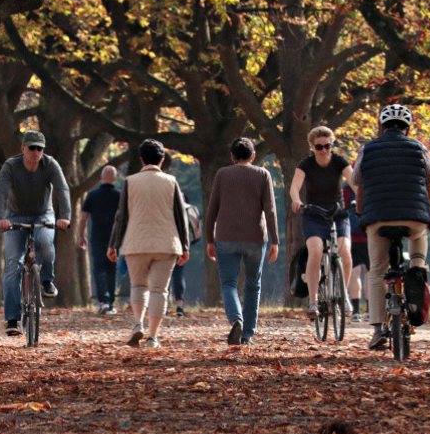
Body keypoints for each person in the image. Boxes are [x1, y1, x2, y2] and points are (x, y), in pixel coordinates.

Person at [352, 104, 430, 350]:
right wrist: (427, 209)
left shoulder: (366, 149)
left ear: (381, 126)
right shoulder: (420, 148)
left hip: (378, 218)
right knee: (419, 244)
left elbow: (359, 184)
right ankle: (417, 269)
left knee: (377, 270)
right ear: (408, 128)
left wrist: (360, 213)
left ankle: (378, 330)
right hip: (414, 218)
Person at [107, 139, 190, 348]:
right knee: (159, 290)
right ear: (162, 160)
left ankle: (137, 324)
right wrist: (185, 246)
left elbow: (121, 216)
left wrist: (113, 244)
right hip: (166, 243)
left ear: (142, 159)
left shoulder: (130, 181)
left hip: (136, 243)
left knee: (138, 285)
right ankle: (153, 336)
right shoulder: (171, 182)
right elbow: (181, 216)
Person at [0, 130, 71, 336]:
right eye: (32, 148)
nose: (36, 152)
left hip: (43, 214)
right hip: (15, 215)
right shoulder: (11, 166)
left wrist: (66, 217)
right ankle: (12, 319)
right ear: (23, 149)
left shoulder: (51, 164)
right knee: (13, 265)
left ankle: (46, 280)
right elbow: (0, 193)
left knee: (45, 242)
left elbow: (62, 190)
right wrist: (0, 218)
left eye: (40, 148)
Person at [205, 138, 280, 345]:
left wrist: (209, 239)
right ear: (253, 156)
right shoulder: (263, 174)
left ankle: (236, 319)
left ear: (232, 156)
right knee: (253, 285)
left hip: (226, 237)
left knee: (229, 283)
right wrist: (275, 240)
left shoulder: (222, 174)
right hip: (256, 238)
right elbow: (270, 210)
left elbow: (212, 210)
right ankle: (247, 333)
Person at [289, 125, 354, 320]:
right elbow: (295, 187)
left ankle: (344, 295)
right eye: (319, 147)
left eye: (328, 146)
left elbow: (355, 182)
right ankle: (313, 300)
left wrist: (360, 198)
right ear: (312, 147)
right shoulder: (306, 165)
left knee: (345, 251)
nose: (324, 150)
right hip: (314, 214)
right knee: (315, 250)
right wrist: (296, 200)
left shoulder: (340, 161)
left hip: (338, 213)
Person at [78, 165, 121, 315]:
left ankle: (103, 300)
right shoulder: (119, 195)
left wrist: (81, 235)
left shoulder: (92, 195)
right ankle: (111, 303)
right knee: (111, 269)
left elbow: (83, 217)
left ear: (101, 178)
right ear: (114, 179)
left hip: (96, 237)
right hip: (114, 238)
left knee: (98, 268)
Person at [342, 183, 369, 323]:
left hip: (352, 236)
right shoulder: (372, 182)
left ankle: (356, 311)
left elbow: (342, 210)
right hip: (370, 234)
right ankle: (371, 311)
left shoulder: (347, 188)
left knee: (354, 273)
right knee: (371, 273)